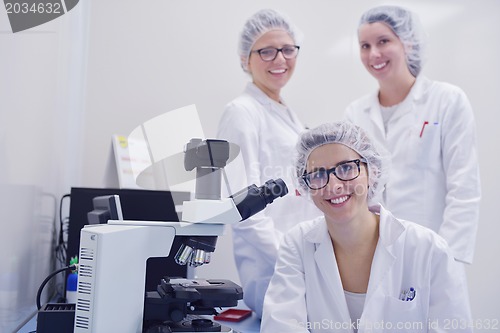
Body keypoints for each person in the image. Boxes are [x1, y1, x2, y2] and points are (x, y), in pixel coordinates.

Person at [261, 121, 472, 333]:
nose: (333, 186)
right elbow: (280, 326)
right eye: (317, 174)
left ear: (372, 171)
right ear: (304, 185)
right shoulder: (297, 245)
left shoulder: (429, 249)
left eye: (346, 168)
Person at [344, 5, 481, 265]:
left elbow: (464, 188)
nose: (374, 54)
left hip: (435, 249)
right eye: (364, 46)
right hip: (373, 255)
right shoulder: (355, 113)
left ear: (407, 43)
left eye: (383, 41)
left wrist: (446, 258)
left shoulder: (447, 100)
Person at [216, 9, 320, 317]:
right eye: (267, 51)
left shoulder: (284, 111)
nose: (280, 59)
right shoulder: (241, 113)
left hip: (301, 261)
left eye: (288, 49)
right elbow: (243, 207)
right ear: (245, 59)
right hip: (274, 272)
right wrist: (290, 260)